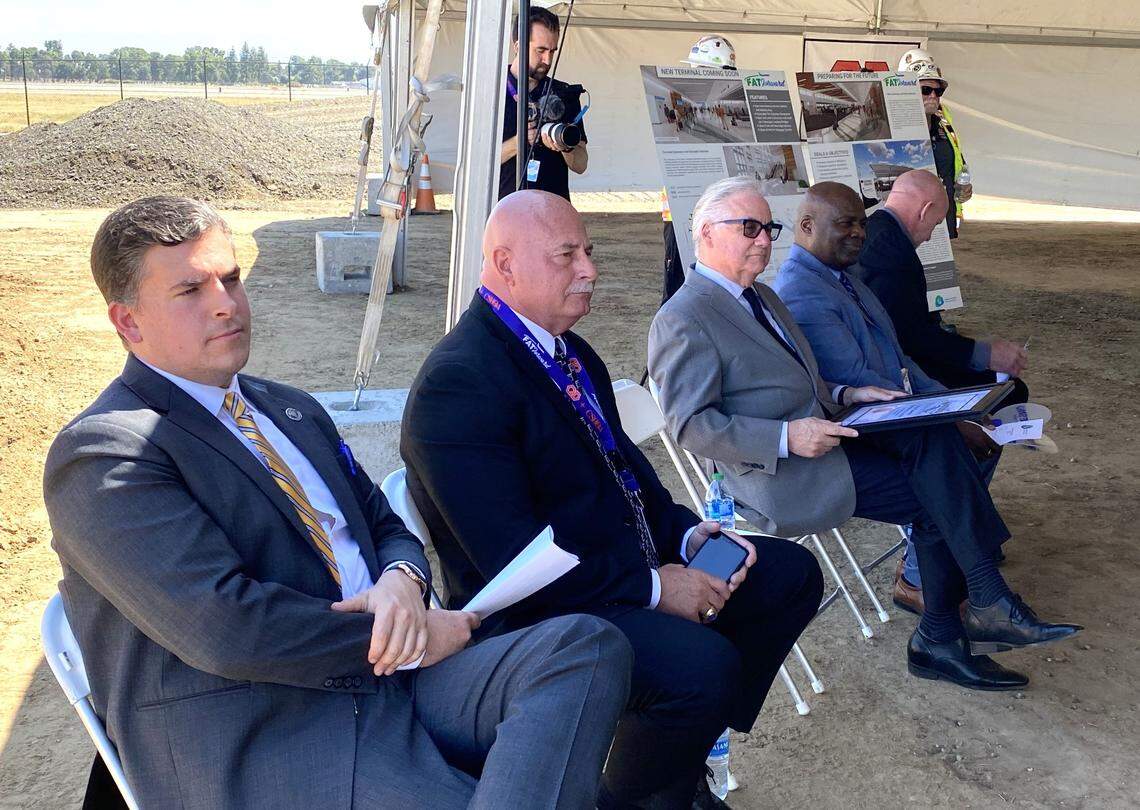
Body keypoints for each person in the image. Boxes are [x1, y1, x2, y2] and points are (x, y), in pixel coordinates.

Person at [44, 196, 632, 809]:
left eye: (232, 278)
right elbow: (226, 629)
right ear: (129, 322)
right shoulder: (109, 451)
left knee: (583, 648)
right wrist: (405, 638)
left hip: (395, 686)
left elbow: (384, 523)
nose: (226, 303)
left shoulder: (286, 408)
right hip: (275, 728)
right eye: (190, 290)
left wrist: (404, 581)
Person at [401, 189, 824, 809]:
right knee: (702, 667)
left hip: (615, 570)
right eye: (566, 255)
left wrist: (687, 536)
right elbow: (513, 562)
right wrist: (655, 589)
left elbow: (628, 472)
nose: (590, 270)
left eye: (589, 252)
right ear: (505, 263)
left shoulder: (567, 351)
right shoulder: (459, 383)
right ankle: (634, 797)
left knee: (789, 575)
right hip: (539, 614)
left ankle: (668, 770)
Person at [649, 176, 1080, 695]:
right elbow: (691, 426)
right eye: (749, 227)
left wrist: (848, 393)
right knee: (935, 485)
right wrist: (787, 437)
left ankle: (965, 619)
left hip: (828, 439)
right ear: (704, 233)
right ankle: (963, 619)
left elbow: (802, 375)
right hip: (782, 474)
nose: (764, 239)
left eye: (768, 227)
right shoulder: (683, 318)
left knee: (935, 444)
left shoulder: (760, 295)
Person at [856, 168, 1029, 403]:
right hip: (891, 370)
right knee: (1009, 392)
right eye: (936, 223)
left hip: (885, 358)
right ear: (925, 210)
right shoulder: (893, 255)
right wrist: (983, 354)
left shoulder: (875, 227)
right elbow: (910, 338)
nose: (928, 238)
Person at [660, 34, 738, 308]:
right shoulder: (686, 106)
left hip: (713, 211)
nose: (693, 75)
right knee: (679, 281)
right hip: (681, 209)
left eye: (699, 70)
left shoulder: (719, 111)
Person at [498, 7, 588, 202]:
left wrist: (566, 147)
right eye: (541, 50)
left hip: (554, 213)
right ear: (518, 46)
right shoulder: (491, 93)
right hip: (505, 214)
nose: (548, 60)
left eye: (553, 51)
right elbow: (477, 165)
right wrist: (519, 142)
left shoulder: (564, 94)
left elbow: (581, 165)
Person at [899, 48, 969, 238]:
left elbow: (955, 158)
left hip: (940, 219)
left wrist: (961, 186)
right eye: (925, 90)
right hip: (907, 221)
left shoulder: (943, 116)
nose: (933, 96)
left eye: (938, 90)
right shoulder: (893, 123)